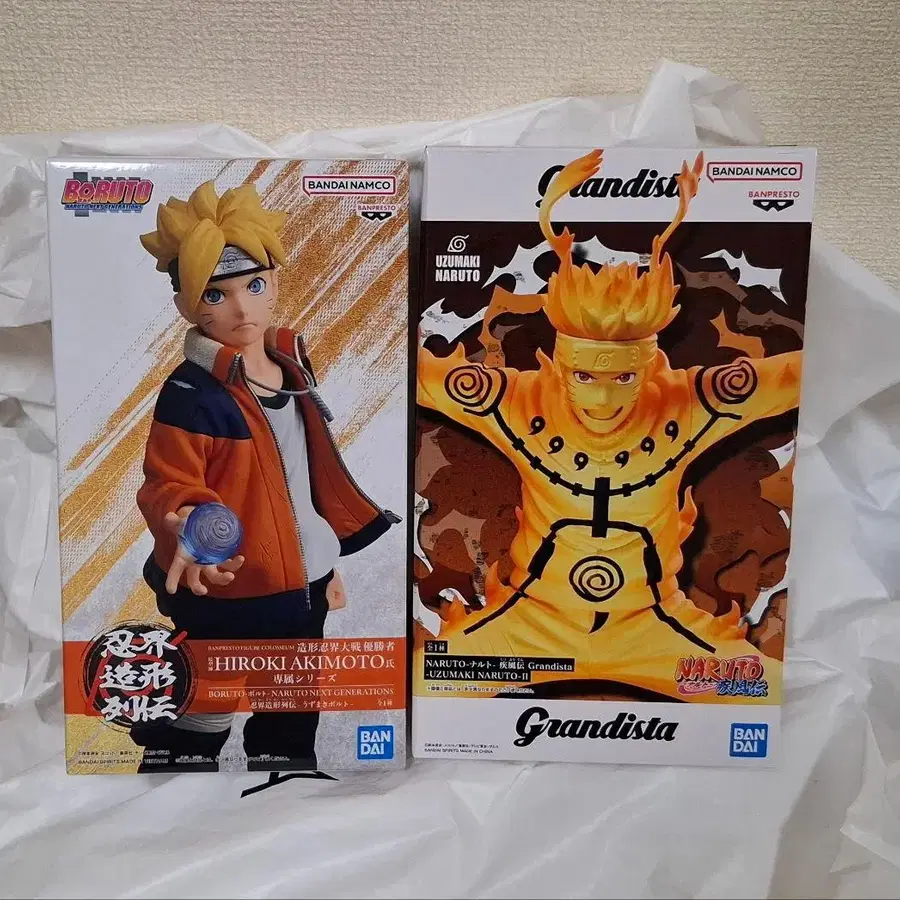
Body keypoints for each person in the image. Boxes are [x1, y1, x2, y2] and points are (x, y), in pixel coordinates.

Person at [417, 150, 800, 703]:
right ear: (561, 364)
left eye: (623, 377)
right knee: (421, 689)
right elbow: (414, 374)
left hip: (656, 631)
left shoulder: (687, 404)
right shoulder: (517, 402)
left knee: (769, 692)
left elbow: (795, 376)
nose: (602, 398)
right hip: (527, 628)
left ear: (647, 366)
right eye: (585, 376)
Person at [132, 180, 397, 770]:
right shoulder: (190, 392)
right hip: (225, 591)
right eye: (215, 294)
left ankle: (285, 799)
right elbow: (167, 481)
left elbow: (302, 480)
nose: (242, 308)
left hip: (301, 592)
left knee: (290, 725)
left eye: (254, 285)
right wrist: (191, 525)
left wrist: (321, 565)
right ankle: (166, 797)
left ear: (276, 281)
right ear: (185, 305)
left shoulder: (291, 365)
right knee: (198, 723)